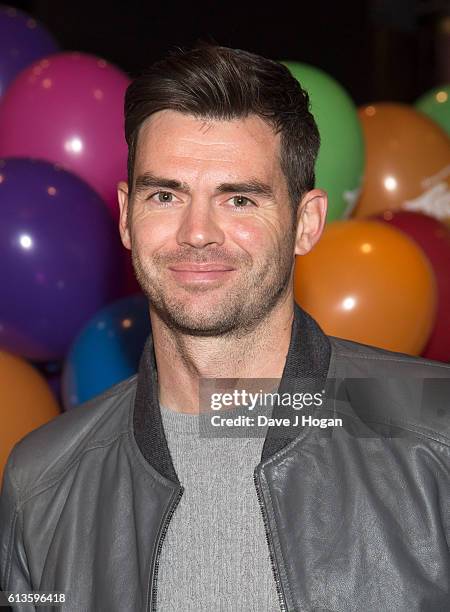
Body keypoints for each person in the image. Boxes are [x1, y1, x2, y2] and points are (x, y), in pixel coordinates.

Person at [1, 45, 449, 612]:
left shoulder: (437, 441)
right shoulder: (42, 482)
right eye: (165, 195)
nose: (196, 233)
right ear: (125, 216)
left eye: (238, 199)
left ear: (307, 223)